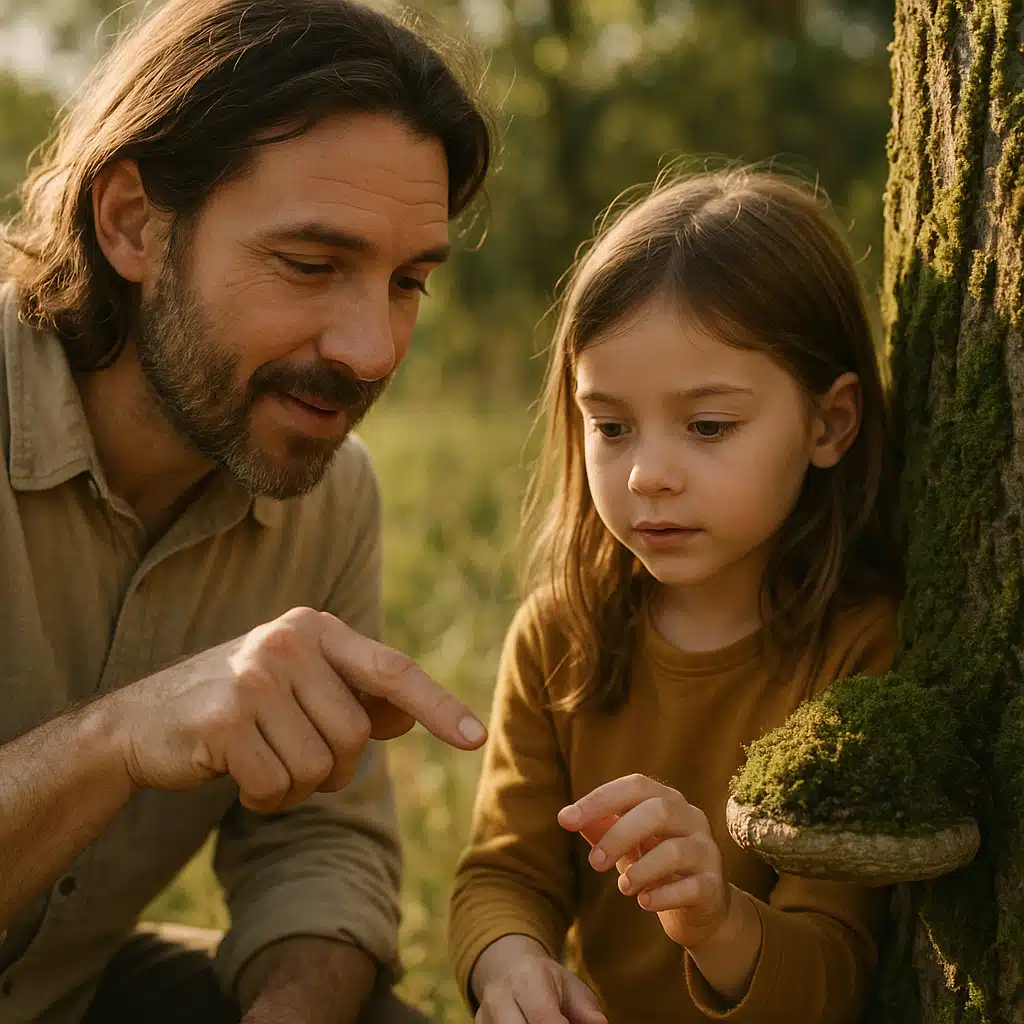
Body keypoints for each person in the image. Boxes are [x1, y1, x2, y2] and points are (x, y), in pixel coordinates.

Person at [0, 1, 494, 1022]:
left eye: (407, 282)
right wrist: (120, 738)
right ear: (131, 222)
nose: (371, 349)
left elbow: (316, 840)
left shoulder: (331, 494)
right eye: (311, 266)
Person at [448, 168, 902, 1023]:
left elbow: (836, 971)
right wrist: (512, 965)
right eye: (611, 426)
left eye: (708, 427)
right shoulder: (560, 636)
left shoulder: (860, 656)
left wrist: (717, 920)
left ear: (830, 423)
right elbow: (506, 873)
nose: (648, 475)